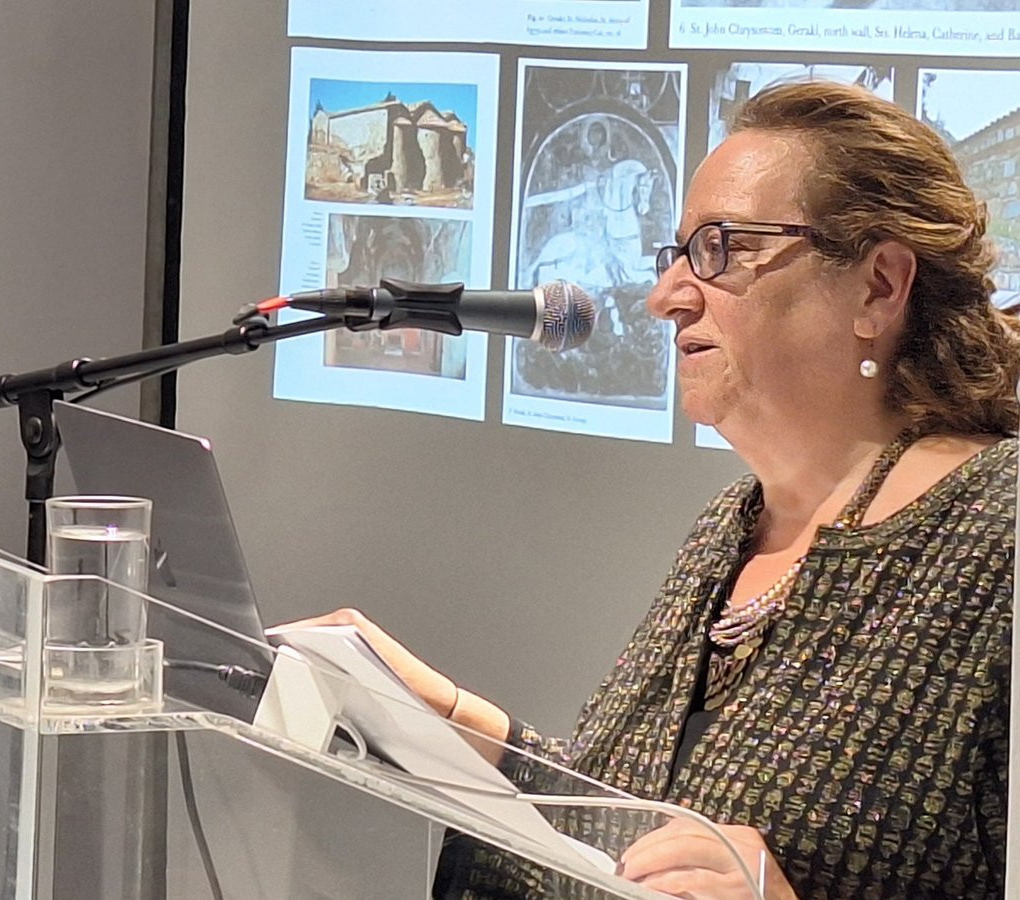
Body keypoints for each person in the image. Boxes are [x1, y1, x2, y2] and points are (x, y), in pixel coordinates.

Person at [289, 80, 1016, 898]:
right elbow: (633, 829)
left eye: (721, 248)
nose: (665, 296)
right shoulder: (731, 527)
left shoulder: (1001, 535)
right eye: (676, 254)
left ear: (878, 286)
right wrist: (448, 716)